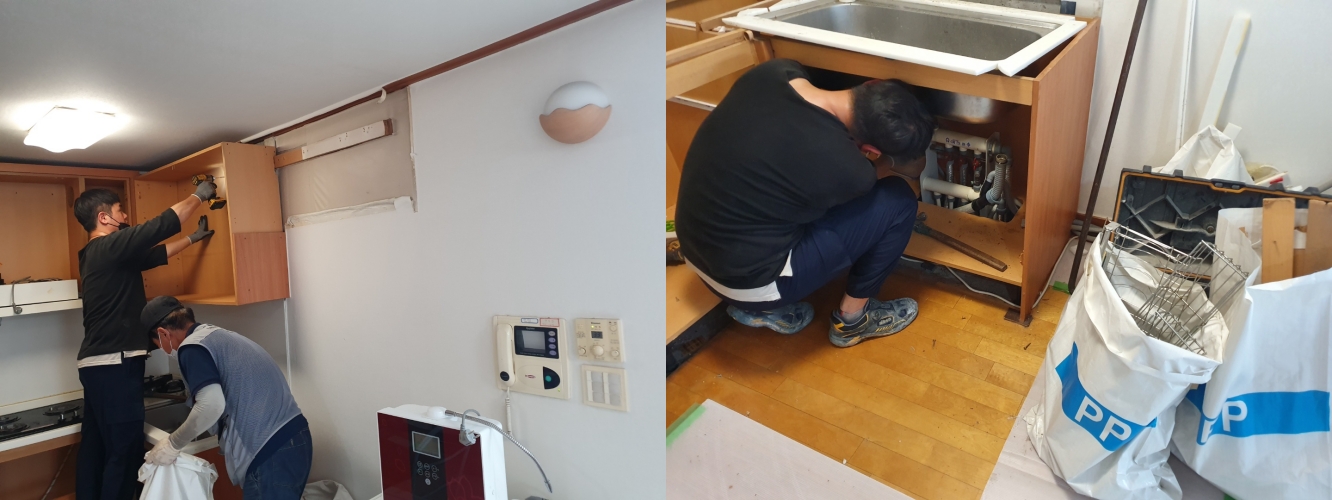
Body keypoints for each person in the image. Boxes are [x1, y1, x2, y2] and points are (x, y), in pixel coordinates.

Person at [675, 58, 937, 347]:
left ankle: (758, 309)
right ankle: (852, 322)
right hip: (751, 284)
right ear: (869, 149)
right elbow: (869, 175)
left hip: (695, 254)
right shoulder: (850, 171)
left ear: (871, 83)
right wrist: (891, 161)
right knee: (898, 201)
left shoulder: (774, 72)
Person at [72, 183, 217, 499]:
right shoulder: (107, 246)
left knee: (95, 447)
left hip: (98, 365)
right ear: (104, 218)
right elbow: (160, 226)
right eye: (120, 211)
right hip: (115, 362)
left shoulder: (102, 256)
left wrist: (193, 239)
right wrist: (199, 196)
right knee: (124, 452)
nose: (125, 216)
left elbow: (155, 255)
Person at [140, 296, 312, 499]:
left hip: (270, 453)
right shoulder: (214, 335)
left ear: (163, 333)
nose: (162, 349)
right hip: (294, 440)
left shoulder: (191, 347)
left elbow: (211, 405)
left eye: (158, 345)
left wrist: (172, 444)